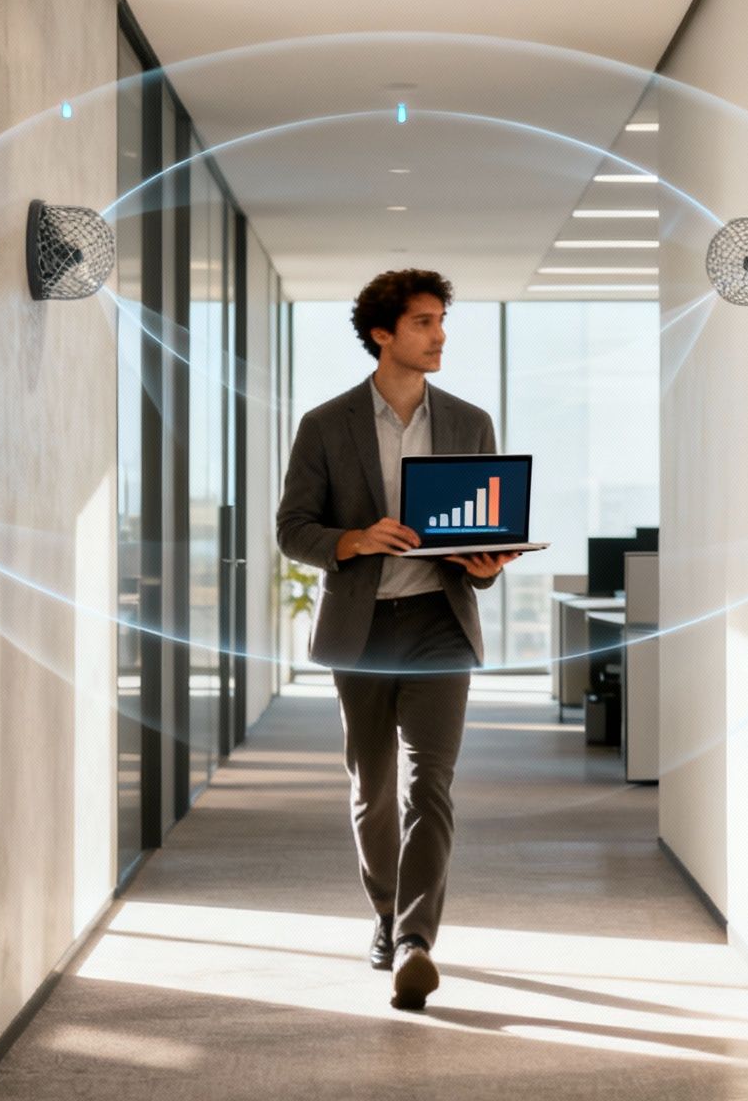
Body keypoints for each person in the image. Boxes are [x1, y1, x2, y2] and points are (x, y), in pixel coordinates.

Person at [275, 268, 520, 1011]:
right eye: (422, 322)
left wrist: (487, 566)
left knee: (430, 785)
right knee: (372, 787)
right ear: (382, 334)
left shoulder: (471, 422)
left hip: (439, 627)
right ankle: (385, 915)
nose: (439, 335)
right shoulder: (325, 424)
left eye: (441, 321)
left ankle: (416, 939)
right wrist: (352, 539)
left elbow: (482, 536)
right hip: (363, 629)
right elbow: (293, 530)